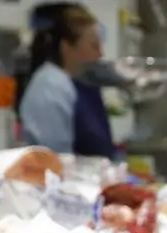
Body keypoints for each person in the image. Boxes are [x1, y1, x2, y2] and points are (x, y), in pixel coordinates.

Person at [18, 3, 116, 158]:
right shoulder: (51, 85)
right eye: (94, 46)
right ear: (67, 47)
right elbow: (56, 157)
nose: (100, 54)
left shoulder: (81, 83)